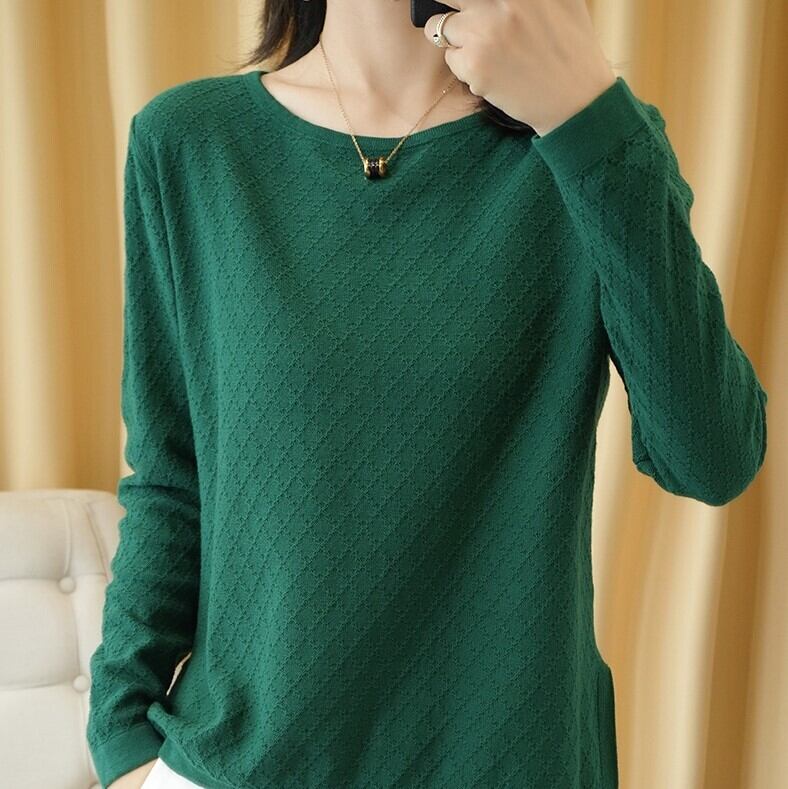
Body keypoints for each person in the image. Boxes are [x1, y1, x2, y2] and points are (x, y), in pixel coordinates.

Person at [86, 1, 769, 788]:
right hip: (238, 766)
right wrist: (121, 736)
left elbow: (712, 456)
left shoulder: (587, 140)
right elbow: (172, 477)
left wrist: (586, 114)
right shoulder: (190, 143)